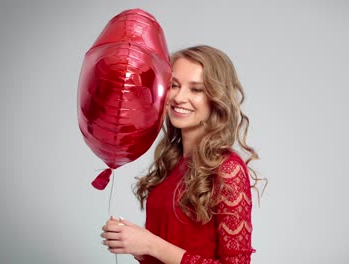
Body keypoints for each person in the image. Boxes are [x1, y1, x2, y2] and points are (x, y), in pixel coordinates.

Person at [101, 45, 263, 264]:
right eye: (174, 85)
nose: (179, 97)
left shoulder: (227, 169)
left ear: (216, 99)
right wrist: (137, 245)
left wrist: (151, 244)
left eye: (196, 89)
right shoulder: (170, 164)